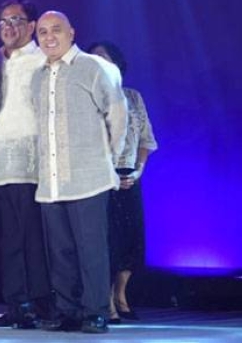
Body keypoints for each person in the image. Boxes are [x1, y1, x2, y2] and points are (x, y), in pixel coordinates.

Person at [32, 12, 127, 335]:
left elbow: (118, 115)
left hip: (89, 177)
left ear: (71, 32)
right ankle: (67, 311)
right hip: (52, 180)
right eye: (42, 32)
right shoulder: (39, 76)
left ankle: (95, 312)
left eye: (56, 30)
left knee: (91, 250)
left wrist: (107, 158)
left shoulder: (95, 68)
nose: (49, 37)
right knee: (60, 252)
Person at [0, 0, 52, 329]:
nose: (8, 27)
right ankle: (16, 304)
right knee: (8, 237)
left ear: (32, 24)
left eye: (16, 20)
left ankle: (41, 302)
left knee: (33, 236)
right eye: (2, 21)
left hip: (32, 158)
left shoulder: (42, 59)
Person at [88, 40, 158, 324]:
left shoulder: (133, 97)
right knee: (107, 242)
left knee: (131, 240)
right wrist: (109, 174)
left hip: (129, 174)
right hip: (99, 176)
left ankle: (121, 295)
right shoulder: (87, 96)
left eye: (105, 59)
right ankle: (105, 302)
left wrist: (138, 171)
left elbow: (146, 140)